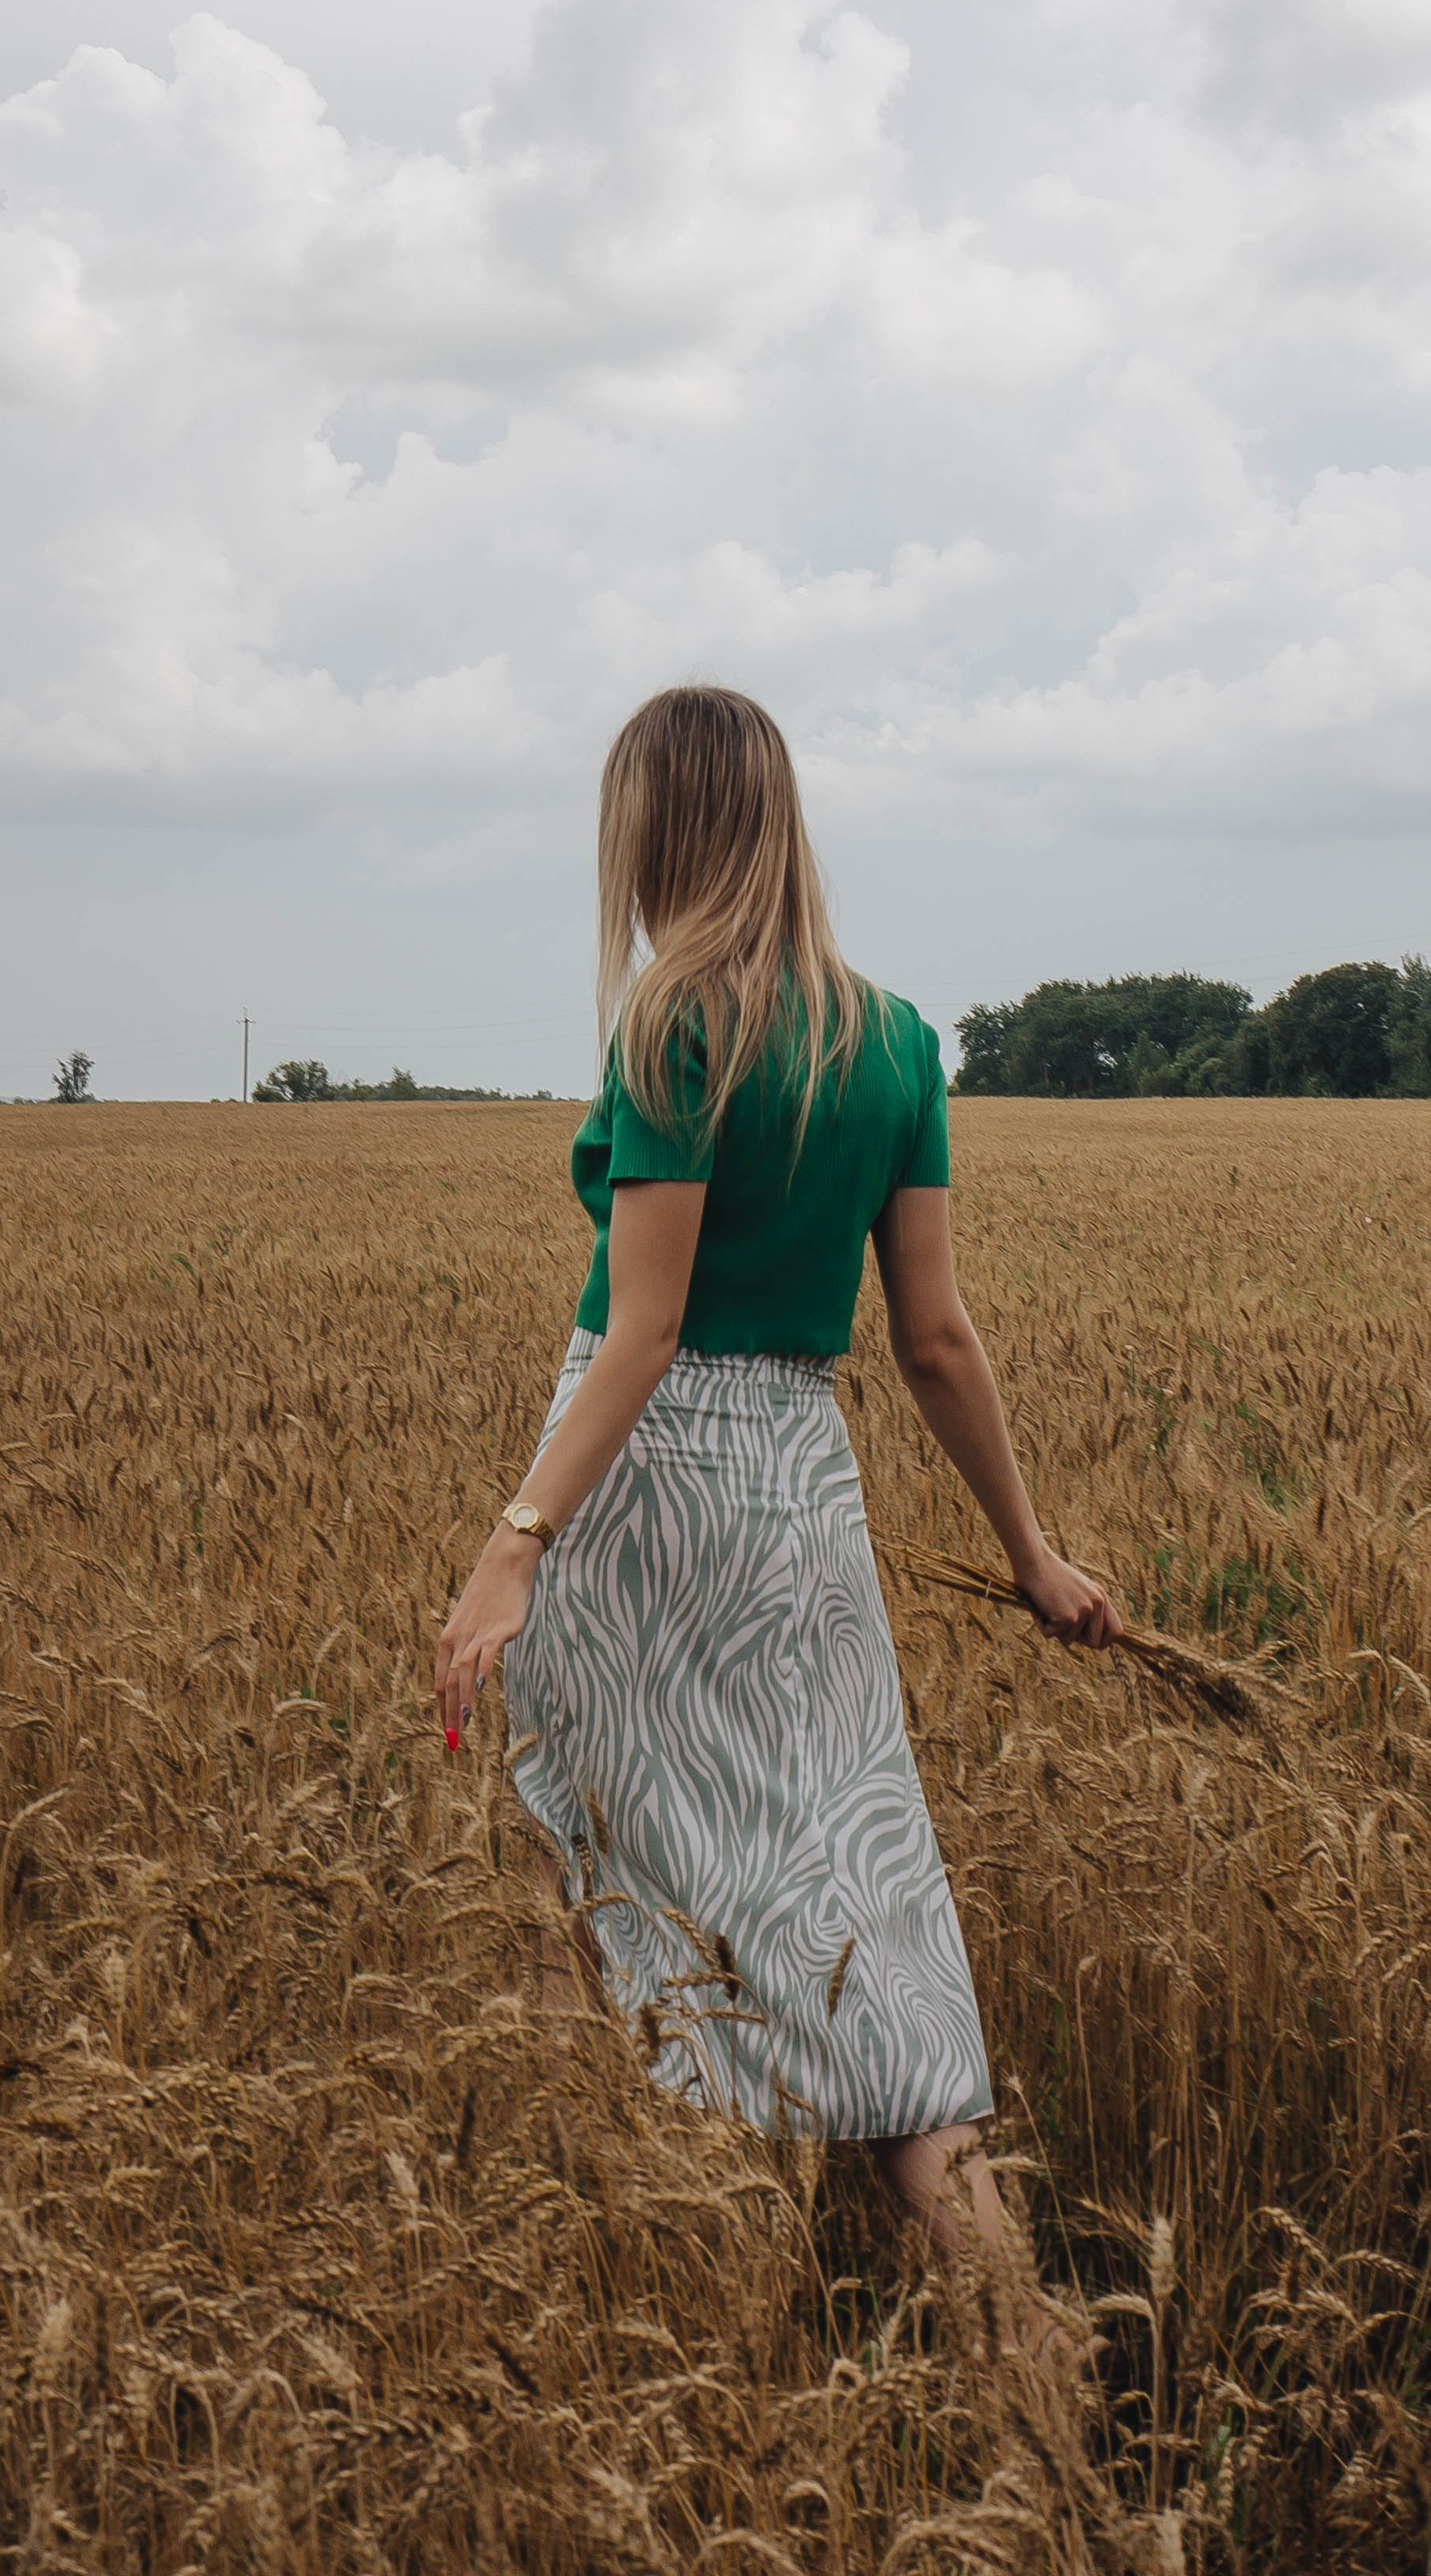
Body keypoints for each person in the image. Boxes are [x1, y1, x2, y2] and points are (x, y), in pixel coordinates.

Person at [434, 684, 1124, 2312]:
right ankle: (1026, 2356)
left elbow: (645, 1329)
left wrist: (514, 1543)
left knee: (572, 1850)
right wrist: (1031, 1554)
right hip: (802, 1494)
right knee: (847, 1882)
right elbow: (935, 1340)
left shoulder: (673, 1019)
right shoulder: (894, 1041)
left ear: (653, 828)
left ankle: (644, 2245)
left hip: (643, 1495)